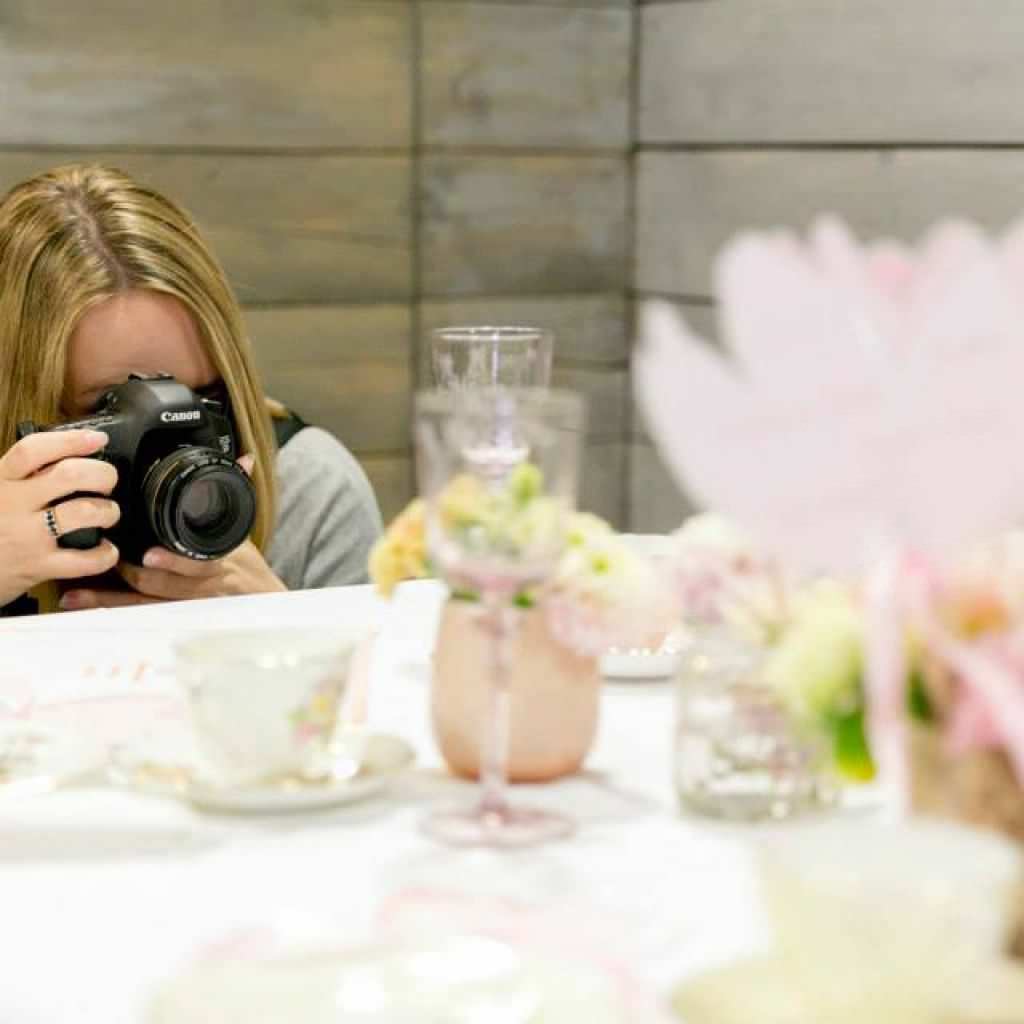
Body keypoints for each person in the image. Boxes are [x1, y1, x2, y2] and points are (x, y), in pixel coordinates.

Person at [0, 163, 382, 615]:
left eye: (201, 398)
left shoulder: (305, 487)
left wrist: (282, 622)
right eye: (113, 408)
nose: (173, 440)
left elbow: (384, 685)